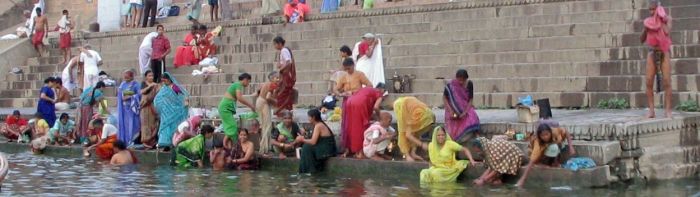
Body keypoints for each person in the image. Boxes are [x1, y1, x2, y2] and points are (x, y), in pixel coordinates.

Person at [516, 123, 576, 188]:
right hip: (539, 152)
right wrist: (522, 179)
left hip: (553, 146)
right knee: (537, 159)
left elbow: (566, 132)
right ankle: (542, 163)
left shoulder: (554, 132)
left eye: (547, 134)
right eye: (542, 135)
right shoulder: (538, 144)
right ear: (539, 136)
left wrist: (571, 147)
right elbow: (531, 161)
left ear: (550, 132)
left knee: (556, 145)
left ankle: (555, 162)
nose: (545, 137)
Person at [410, 126, 476, 183]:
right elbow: (432, 159)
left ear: (445, 135)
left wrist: (472, 160)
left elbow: (465, 149)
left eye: (442, 135)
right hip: (436, 168)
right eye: (438, 135)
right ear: (435, 136)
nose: (441, 137)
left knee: (436, 173)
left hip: (448, 168)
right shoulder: (431, 145)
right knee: (423, 173)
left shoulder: (449, 144)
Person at [642, 0, 673, 118]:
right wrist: (646, 29)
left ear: (658, 9)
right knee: (649, 81)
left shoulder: (668, 19)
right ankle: (651, 111)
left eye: (653, 9)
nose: (651, 12)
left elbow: (667, 31)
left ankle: (668, 110)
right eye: (649, 10)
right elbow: (641, 39)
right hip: (651, 51)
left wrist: (661, 20)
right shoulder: (648, 21)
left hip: (664, 51)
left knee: (667, 81)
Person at [342, 84, 386, 158]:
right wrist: (380, 117)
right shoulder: (379, 93)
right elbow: (376, 107)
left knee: (353, 126)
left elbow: (370, 112)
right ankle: (361, 152)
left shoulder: (367, 90)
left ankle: (354, 151)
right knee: (360, 128)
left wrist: (374, 117)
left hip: (349, 101)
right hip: (360, 104)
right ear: (383, 90)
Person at [154, 73, 189, 151]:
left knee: (173, 127)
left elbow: (184, 95)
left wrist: (185, 102)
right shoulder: (164, 88)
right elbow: (157, 99)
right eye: (163, 80)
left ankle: (174, 143)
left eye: (165, 80)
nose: (164, 82)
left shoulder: (174, 87)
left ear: (170, 79)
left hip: (174, 111)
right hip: (166, 112)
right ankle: (164, 144)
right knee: (165, 127)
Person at [394, 96, 435, 162]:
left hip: (411, 106)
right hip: (401, 106)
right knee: (403, 131)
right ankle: (407, 155)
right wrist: (422, 144)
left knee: (415, 131)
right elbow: (408, 135)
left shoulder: (429, 115)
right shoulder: (416, 116)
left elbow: (416, 132)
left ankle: (413, 153)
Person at [444, 69, 480, 142]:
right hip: (452, 109)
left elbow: (470, 99)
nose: (461, 82)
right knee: (453, 122)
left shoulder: (469, 84)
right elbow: (445, 98)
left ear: (466, 79)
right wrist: (450, 110)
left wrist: (465, 112)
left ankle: (476, 134)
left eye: (463, 80)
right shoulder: (451, 85)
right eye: (459, 80)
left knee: (473, 116)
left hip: (465, 107)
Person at [219, 73, 256, 147]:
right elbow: (240, 98)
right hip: (225, 108)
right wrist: (251, 105)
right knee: (233, 127)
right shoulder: (237, 85)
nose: (248, 84)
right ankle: (228, 145)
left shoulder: (237, 85)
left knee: (230, 127)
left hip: (226, 108)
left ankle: (229, 147)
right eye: (249, 81)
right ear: (245, 79)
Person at [296, 109, 337, 173]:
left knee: (306, 147)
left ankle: (309, 170)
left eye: (309, 117)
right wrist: (304, 136)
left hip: (327, 149)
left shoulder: (319, 125)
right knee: (307, 147)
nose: (308, 119)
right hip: (323, 147)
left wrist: (302, 139)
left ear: (313, 117)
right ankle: (308, 169)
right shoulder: (318, 124)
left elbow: (313, 142)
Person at [256, 71, 280, 155]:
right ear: (272, 79)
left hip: (259, 101)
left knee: (264, 126)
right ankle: (264, 150)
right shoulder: (272, 85)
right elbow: (268, 97)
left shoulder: (266, 84)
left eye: (279, 78)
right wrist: (277, 103)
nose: (278, 79)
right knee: (267, 126)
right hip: (264, 103)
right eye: (276, 78)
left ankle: (265, 149)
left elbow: (257, 92)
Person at [273, 37, 297, 116]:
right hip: (285, 76)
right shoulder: (283, 51)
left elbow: (288, 62)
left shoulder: (284, 50)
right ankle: (287, 113)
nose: (274, 46)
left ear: (279, 43)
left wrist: (280, 70)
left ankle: (283, 113)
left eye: (275, 44)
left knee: (282, 94)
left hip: (287, 76)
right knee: (285, 94)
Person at [117, 70, 142, 146]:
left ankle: (132, 141)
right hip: (124, 109)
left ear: (131, 77)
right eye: (125, 77)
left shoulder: (136, 84)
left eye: (127, 77)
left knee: (133, 125)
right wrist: (123, 95)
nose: (126, 78)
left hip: (132, 109)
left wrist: (130, 96)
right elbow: (120, 94)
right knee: (125, 126)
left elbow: (139, 94)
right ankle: (125, 141)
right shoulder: (122, 84)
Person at [140, 71, 160, 149]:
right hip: (145, 107)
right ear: (146, 77)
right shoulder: (143, 84)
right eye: (149, 76)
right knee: (145, 124)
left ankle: (152, 142)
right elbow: (141, 92)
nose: (151, 77)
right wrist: (150, 86)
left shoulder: (156, 85)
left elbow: (159, 94)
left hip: (153, 107)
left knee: (153, 124)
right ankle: (145, 142)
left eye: (152, 75)